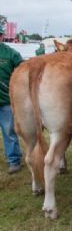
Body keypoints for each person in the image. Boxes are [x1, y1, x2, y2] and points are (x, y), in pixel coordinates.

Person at [0, 26, 24, 174]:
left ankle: (14, 160)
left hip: (6, 100)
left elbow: (22, 69)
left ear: (2, 36)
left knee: (9, 131)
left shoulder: (11, 53)